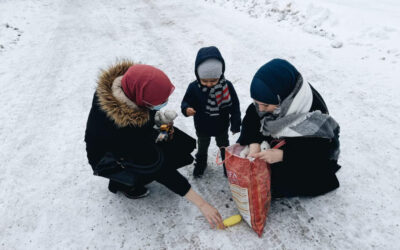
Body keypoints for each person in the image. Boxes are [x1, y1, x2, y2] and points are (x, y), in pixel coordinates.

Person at [84, 60, 223, 228]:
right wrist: (202, 204)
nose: (162, 103)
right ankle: (124, 183)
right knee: (153, 163)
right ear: (139, 97)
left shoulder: (124, 86)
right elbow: (159, 168)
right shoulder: (124, 128)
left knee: (180, 144)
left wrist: (155, 118)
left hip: (126, 139)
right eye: (157, 102)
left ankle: (131, 173)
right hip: (107, 158)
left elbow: (140, 113)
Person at [238, 59, 341, 197]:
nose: (260, 109)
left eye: (265, 105)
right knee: (241, 166)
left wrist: (283, 155)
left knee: (280, 183)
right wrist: (254, 144)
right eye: (257, 103)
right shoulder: (271, 98)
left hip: (304, 155)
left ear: (284, 99)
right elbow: (252, 116)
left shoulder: (313, 116)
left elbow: (319, 153)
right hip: (279, 144)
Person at [181, 46, 241, 178]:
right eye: (205, 81)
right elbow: (185, 102)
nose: (209, 84)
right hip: (202, 125)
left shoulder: (227, 87)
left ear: (220, 75)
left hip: (221, 125)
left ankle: (227, 164)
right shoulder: (194, 88)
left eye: (213, 80)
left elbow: (235, 106)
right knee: (202, 146)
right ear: (198, 75)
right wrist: (186, 109)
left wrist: (236, 123)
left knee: (223, 145)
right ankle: (201, 162)